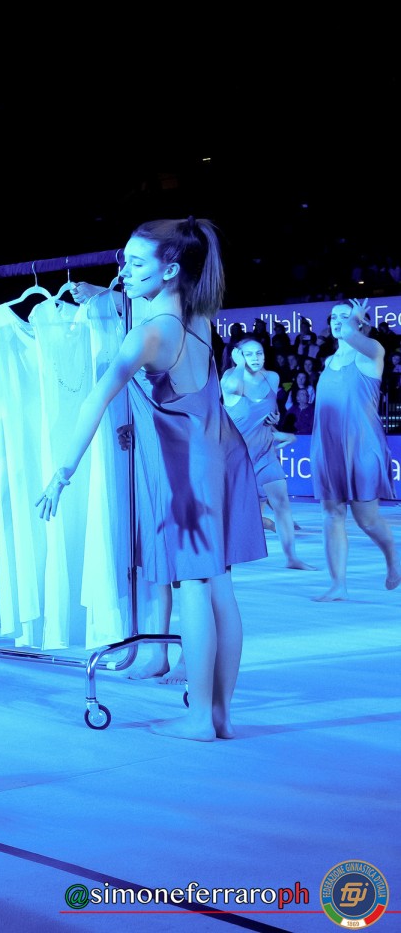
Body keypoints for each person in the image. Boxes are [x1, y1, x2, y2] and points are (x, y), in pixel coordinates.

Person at [40, 217, 263, 741]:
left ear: (170, 270)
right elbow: (145, 303)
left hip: (188, 472)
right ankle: (220, 715)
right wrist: (107, 292)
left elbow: (96, 400)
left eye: (135, 263)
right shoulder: (198, 316)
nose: (124, 271)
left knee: (194, 586)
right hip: (223, 457)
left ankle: (198, 719)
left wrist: (62, 472)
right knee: (221, 587)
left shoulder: (149, 335)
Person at [310, 299, 401, 601]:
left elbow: (351, 335)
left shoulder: (372, 352)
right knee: (332, 514)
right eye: (334, 317)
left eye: (345, 316)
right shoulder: (329, 361)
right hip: (329, 447)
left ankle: (393, 556)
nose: (338, 321)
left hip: (361, 445)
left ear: (360, 322)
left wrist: (356, 322)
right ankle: (338, 585)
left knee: (367, 519)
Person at [221, 338, 312, 569]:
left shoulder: (272, 378)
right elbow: (233, 389)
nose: (255, 358)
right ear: (238, 355)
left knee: (282, 503)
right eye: (249, 354)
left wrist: (276, 423)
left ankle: (292, 558)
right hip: (236, 458)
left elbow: (269, 413)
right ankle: (265, 525)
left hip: (265, 454)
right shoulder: (230, 378)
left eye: (259, 353)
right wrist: (239, 365)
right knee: (237, 516)